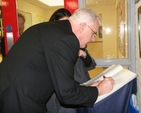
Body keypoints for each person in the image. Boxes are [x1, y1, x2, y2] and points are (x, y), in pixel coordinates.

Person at [0, 8, 114, 113]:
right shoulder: (67, 39)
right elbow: (67, 94)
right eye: (93, 33)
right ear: (83, 27)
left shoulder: (56, 31)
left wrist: (88, 87)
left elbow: (61, 76)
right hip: (18, 101)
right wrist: (98, 90)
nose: (93, 39)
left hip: (16, 96)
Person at [47, 8, 97, 113]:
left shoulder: (79, 42)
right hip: (65, 97)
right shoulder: (54, 47)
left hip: (83, 92)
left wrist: (84, 55)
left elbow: (91, 65)